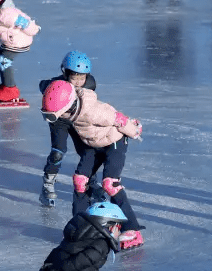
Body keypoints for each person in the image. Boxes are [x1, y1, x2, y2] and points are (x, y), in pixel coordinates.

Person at [41, 77, 146, 250]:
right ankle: (80, 227)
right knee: (80, 181)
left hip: (114, 142)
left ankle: (132, 229)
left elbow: (118, 119)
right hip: (93, 144)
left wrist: (134, 130)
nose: (54, 119)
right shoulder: (68, 108)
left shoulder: (93, 112)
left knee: (110, 184)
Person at [38, 50, 97, 207]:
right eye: (74, 77)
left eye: (81, 77)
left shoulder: (90, 84)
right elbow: (42, 84)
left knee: (88, 151)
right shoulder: (57, 82)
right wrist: (50, 89)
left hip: (77, 119)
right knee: (58, 152)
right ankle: (48, 184)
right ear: (65, 73)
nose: (78, 82)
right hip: (60, 121)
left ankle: (90, 182)